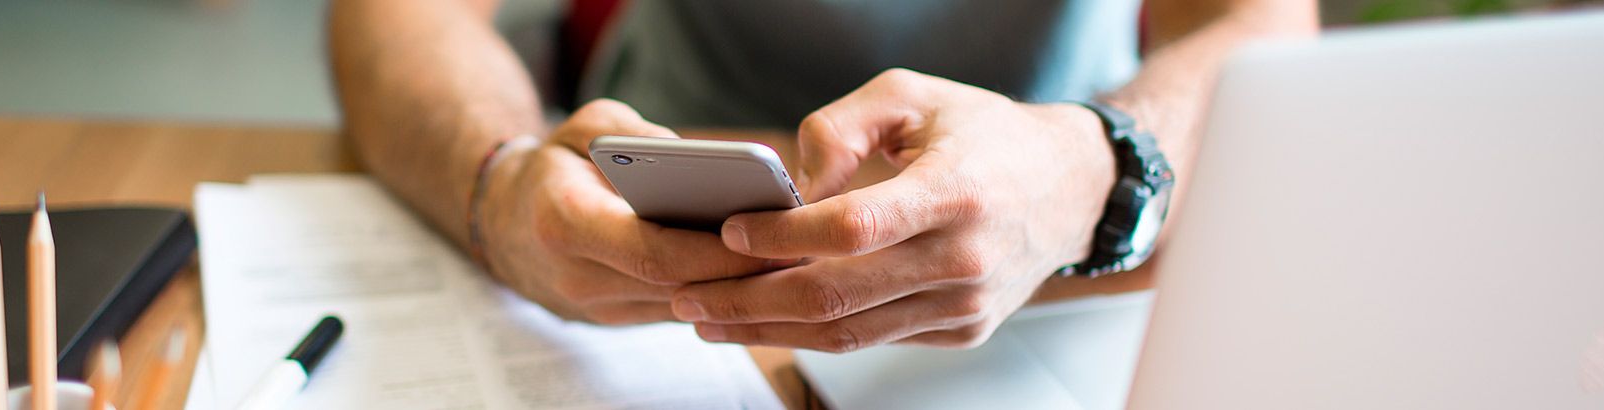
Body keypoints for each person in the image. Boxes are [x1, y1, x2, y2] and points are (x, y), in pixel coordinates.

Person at [329, 0, 1317, 353]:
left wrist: (1095, 169)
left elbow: (1259, 22)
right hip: (644, 223)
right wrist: (495, 188)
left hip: (1063, 227)